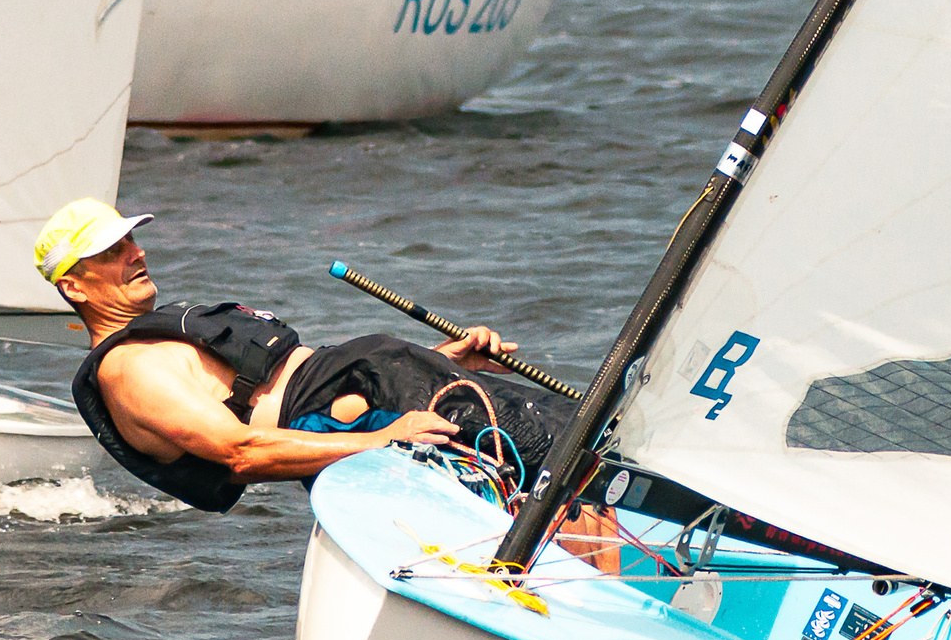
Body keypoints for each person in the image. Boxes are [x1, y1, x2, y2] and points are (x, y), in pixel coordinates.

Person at [38, 198, 578, 514]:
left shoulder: (156, 341)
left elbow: (279, 386)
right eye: (112, 252)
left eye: (131, 241)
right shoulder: (127, 369)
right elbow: (240, 452)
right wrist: (385, 439)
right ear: (75, 287)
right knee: (577, 462)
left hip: (400, 393)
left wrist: (440, 359)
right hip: (386, 417)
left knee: (581, 445)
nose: (137, 252)